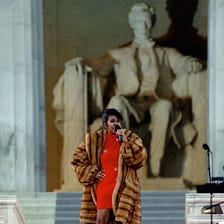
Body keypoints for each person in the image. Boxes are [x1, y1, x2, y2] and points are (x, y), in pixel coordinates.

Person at [59, 2, 203, 178]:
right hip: (130, 102)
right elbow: (99, 65)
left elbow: (184, 63)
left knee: (166, 106)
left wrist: (192, 64)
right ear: (132, 24)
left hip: (156, 101)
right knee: (117, 102)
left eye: (146, 21)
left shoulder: (166, 53)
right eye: (138, 21)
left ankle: (156, 168)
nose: (142, 26)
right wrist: (81, 63)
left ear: (152, 23)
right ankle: (118, 161)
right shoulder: (118, 54)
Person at [71, 108, 147, 224]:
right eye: (112, 121)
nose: (116, 123)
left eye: (118, 121)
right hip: (104, 185)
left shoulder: (130, 137)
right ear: (105, 124)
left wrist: (125, 142)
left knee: (130, 222)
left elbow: (139, 160)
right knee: (101, 219)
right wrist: (92, 172)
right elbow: (77, 159)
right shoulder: (94, 139)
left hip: (126, 186)